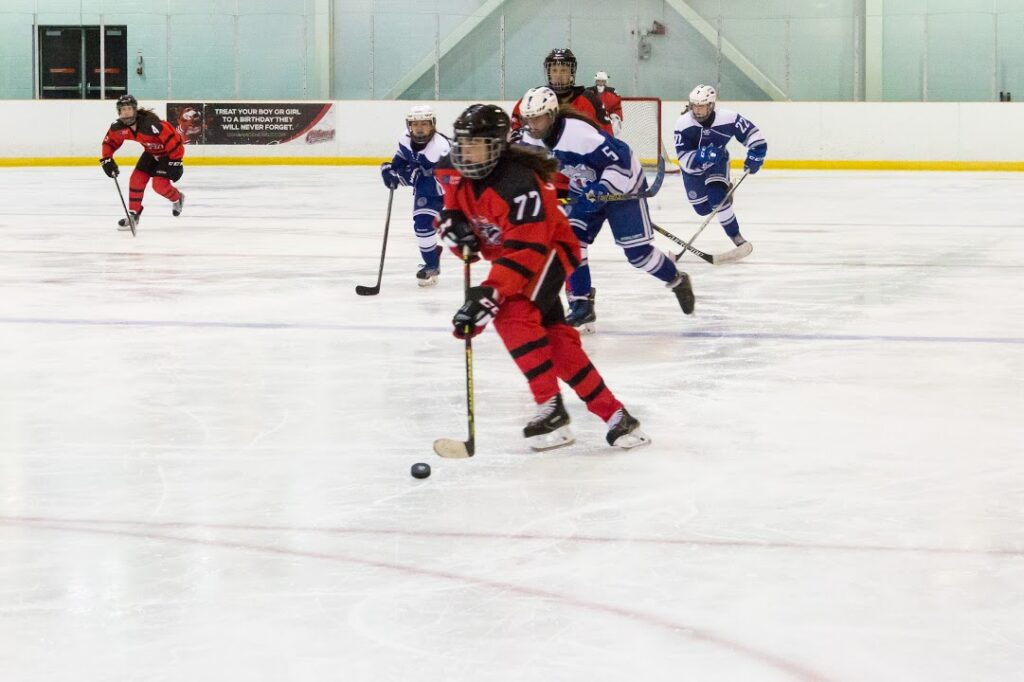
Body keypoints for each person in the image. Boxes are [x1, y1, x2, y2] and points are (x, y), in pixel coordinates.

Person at [436, 103, 650, 451]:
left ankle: (550, 407)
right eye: (461, 144)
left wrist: (489, 296)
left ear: (497, 146)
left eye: (475, 145)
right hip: (514, 257)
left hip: (549, 252)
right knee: (554, 340)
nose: (465, 153)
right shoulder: (456, 171)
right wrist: (452, 227)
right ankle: (617, 418)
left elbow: (527, 252)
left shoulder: (519, 182)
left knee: (511, 313)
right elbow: (453, 209)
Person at [518, 86, 694, 332]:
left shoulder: (578, 134)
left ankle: (677, 280)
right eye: (529, 118)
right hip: (584, 185)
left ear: (552, 114)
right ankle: (582, 304)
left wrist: (604, 188)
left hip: (622, 182)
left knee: (638, 255)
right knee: (571, 240)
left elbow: (620, 159)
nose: (532, 124)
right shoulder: (530, 138)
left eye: (537, 117)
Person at [673, 84, 767, 254]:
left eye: (701, 106)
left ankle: (737, 238)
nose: (697, 110)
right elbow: (684, 159)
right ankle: (726, 193)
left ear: (711, 105)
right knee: (702, 210)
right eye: (694, 105)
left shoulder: (729, 118)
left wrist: (756, 154)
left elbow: (755, 136)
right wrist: (703, 155)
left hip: (718, 162)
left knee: (717, 199)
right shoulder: (683, 123)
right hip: (693, 171)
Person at [380, 104, 451, 286]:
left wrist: (407, 177)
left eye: (424, 123)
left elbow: (442, 178)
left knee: (427, 224)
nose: (419, 128)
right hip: (425, 184)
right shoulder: (404, 137)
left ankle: (431, 260)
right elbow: (403, 157)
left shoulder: (440, 147)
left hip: (443, 187)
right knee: (422, 226)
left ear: (432, 124)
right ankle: (431, 264)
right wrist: (391, 170)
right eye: (415, 124)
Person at [100, 94, 185, 231]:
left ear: (135, 110)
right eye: (123, 109)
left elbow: (174, 140)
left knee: (159, 185)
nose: (126, 112)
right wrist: (107, 159)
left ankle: (177, 198)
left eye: (129, 108)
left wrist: (176, 162)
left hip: (167, 155)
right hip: (150, 154)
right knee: (136, 180)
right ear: (119, 112)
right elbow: (109, 142)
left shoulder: (151, 125)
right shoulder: (118, 127)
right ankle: (134, 214)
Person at [511, 49, 612, 136]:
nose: (558, 75)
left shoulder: (590, 99)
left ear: (572, 73)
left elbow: (607, 133)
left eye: (563, 70)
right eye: (554, 70)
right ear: (549, 74)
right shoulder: (536, 96)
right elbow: (517, 120)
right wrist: (519, 133)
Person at [586, 71, 623, 136]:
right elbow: (584, 106)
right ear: (595, 81)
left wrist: (616, 117)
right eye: (598, 81)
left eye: (602, 81)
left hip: (607, 122)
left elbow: (617, 107)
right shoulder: (588, 91)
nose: (600, 83)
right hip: (593, 122)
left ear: (606, 82)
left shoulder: (612, 92)